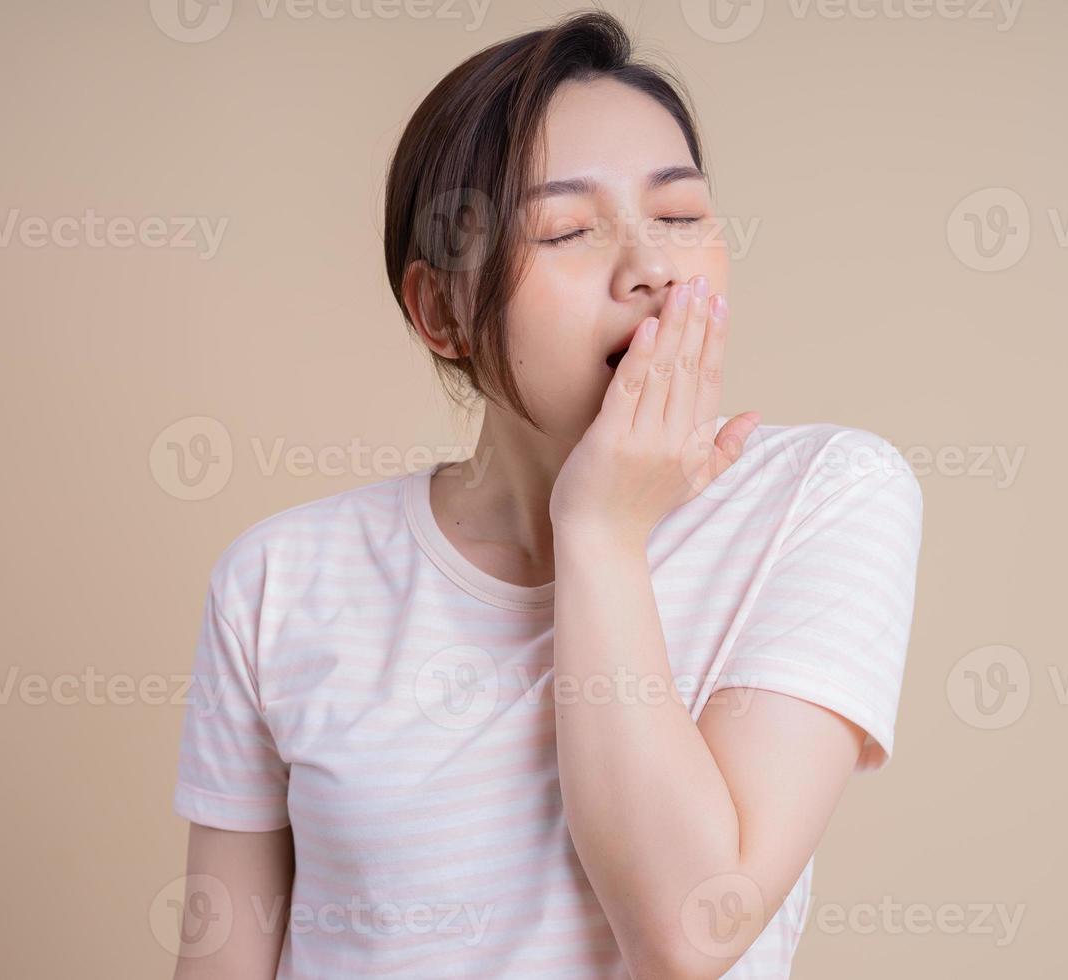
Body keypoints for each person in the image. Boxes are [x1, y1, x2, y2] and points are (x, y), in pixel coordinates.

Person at [170, 10, 924, 978]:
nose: (652, 268)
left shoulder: (826, 496)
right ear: (442, 311)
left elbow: (690, 927)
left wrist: (601, 530)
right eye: (568, 228)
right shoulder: (276, 579)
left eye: (683, 216)